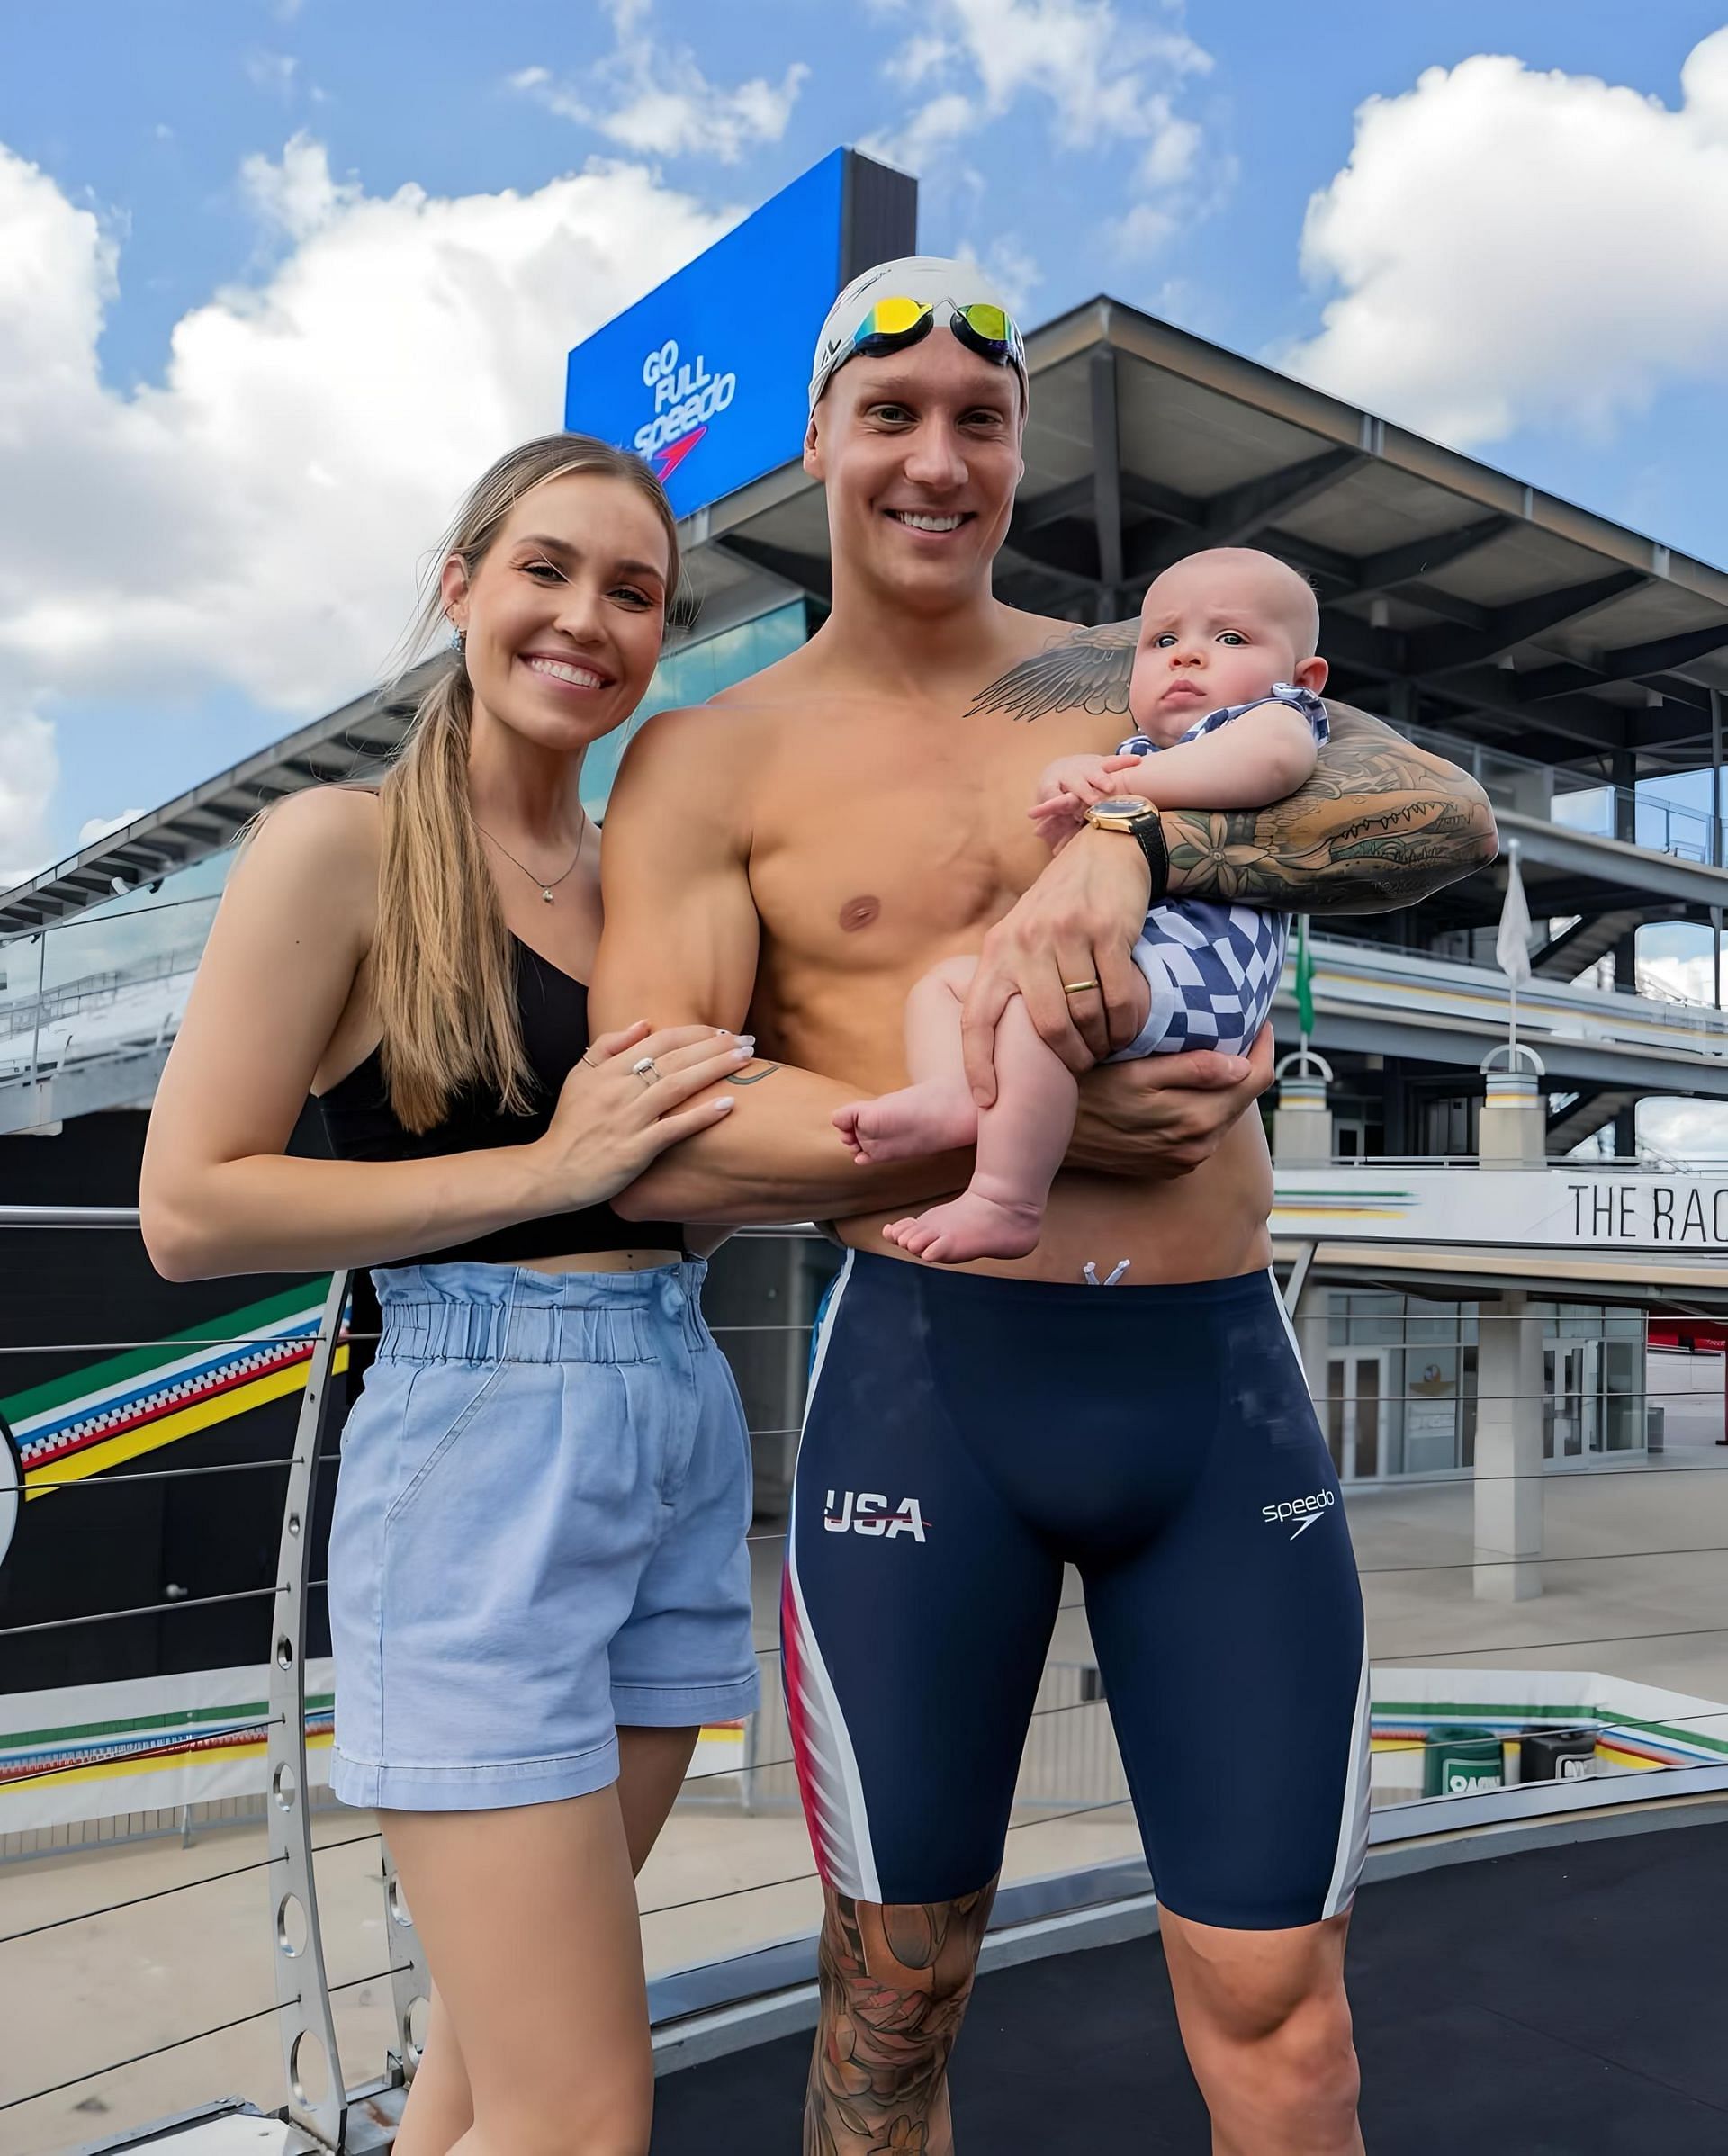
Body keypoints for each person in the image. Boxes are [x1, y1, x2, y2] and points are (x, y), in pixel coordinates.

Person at [591, 257, 1496, 2156]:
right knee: (892, 2001)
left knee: (1288, 2019)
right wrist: (1013, 1134)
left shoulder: (1132, 681)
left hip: (1210, 1387)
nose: (938, 460)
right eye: (892, 417)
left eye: (980, 424)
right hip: (937, 1385)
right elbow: (653, 1127)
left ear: (1017, 451)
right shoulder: (711, 753)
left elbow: (1447, 821)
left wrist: (1147, 835)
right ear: (819, 438)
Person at [140, 433, 758, 2156]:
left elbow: (682, 1183)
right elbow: (189, 1207)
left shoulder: (647, 869)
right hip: (482, 1444)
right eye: (545, 569)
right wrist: (550, 1172)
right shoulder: (337, 847)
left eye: (632, 591)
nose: (585, 618)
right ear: (461, 585)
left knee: (488, 2079)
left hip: (677, 1424)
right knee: (581, 2111)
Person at [835, 544, 1330, 1262]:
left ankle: (1006, 1197)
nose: (1187, 657)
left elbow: (1268, 765)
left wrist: (1132, 789)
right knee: (946, 987)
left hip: (1205, 972)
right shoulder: (1134, 751)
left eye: (1228, 639)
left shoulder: (1276, 717)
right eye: (1163, 640)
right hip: (1144, 956)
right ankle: (958, 1092)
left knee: (1039, 1011)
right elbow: (1069, 852)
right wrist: (1068, 781)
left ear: (1303, 675)